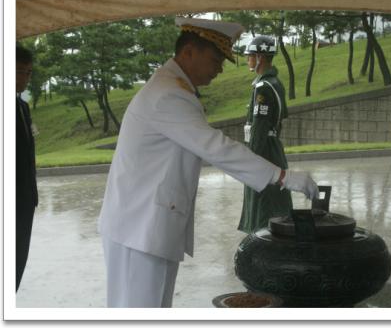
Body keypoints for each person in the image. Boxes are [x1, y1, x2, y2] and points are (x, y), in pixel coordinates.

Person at [97, 17, 319, 308]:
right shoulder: (168, 94)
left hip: (144, 224)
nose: (220, 68)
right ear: (189, 52)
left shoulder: (174, 87)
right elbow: (215, 147)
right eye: (215, 59)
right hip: (139, 228)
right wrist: (282, 177)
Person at [238, 36, 292, 233]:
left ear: (259, 57)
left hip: (263, 150)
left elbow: (260, 126)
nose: (247, 60)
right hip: (271, 146)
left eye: (250, 56)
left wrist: (252, 158)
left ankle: (263, 239)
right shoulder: (272, 83)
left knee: (263, 201)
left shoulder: (264, 87)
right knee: (271, 197)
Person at [16, 45, 38, 291]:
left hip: (25, 201)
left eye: (29, 72)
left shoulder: (22, 107)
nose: (25, 77)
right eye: (20, 71)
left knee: (17, 264)